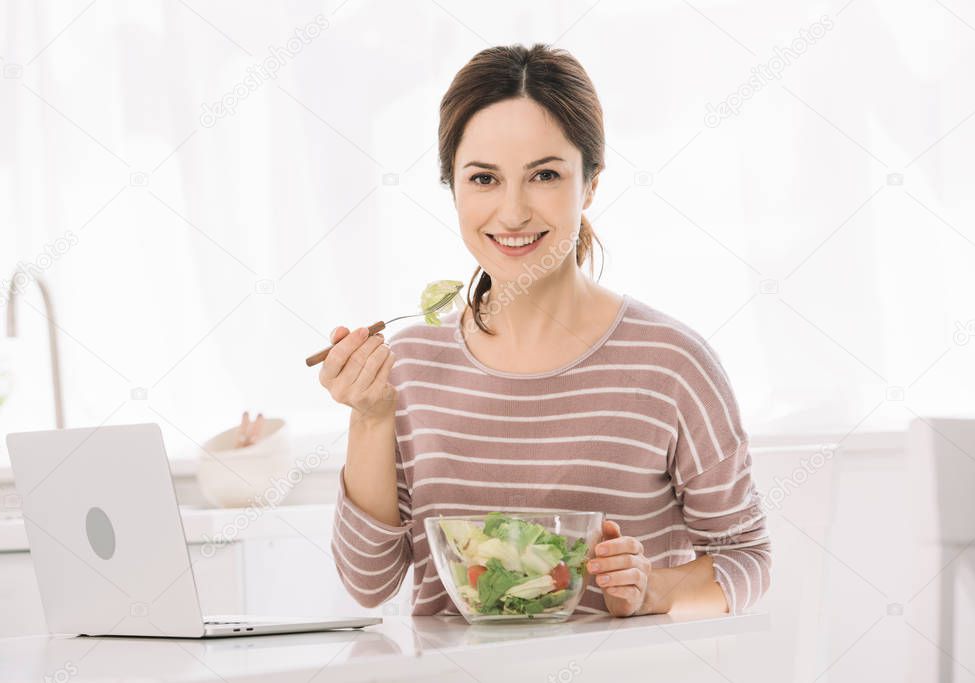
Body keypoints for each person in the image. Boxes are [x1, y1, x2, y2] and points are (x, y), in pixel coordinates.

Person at [316, 44, 771, 617]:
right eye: (483, 178)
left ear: (590, 185)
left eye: (545, 176)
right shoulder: (406, 365)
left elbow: (745, 555)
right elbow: (367, 583)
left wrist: (658, 589)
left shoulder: (671, 363)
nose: (511, 213)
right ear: (452, 187)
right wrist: (371, 416)